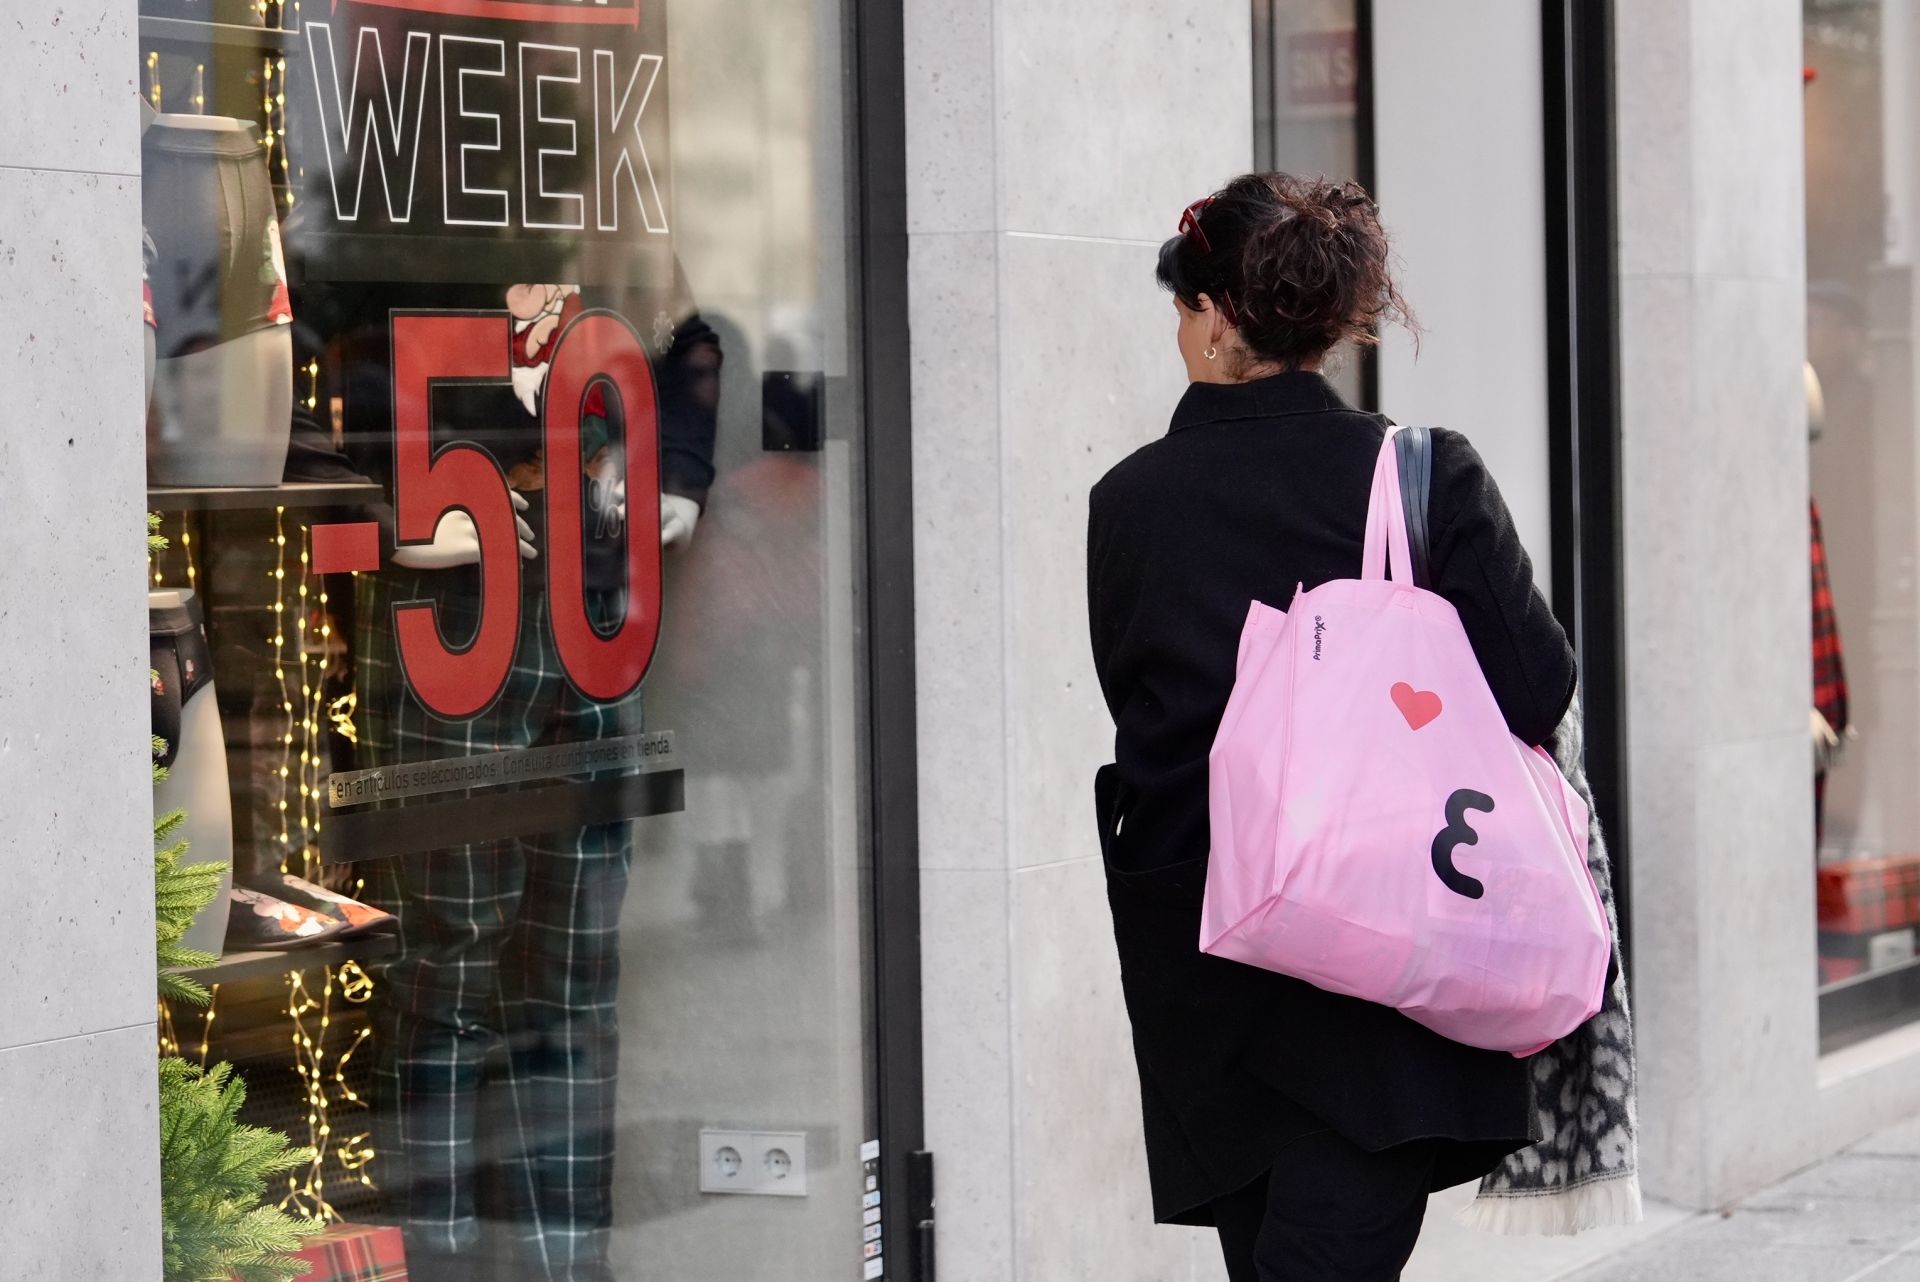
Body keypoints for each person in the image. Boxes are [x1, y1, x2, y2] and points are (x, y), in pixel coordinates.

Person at [1086, 172, 1578, 1281]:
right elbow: (1537, 690)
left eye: (1179, 308)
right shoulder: (1421, 477)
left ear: (1212, 317)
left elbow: (1142, 705)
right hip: (1383, 964)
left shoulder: (1129, 502)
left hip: (1207, 965)